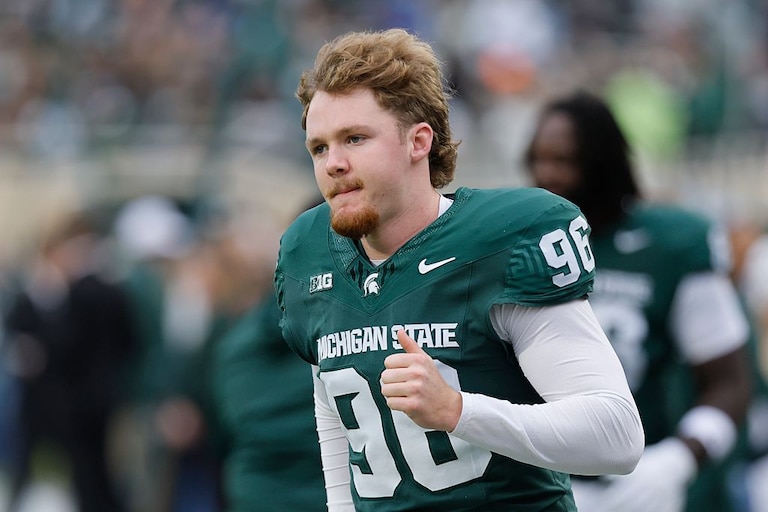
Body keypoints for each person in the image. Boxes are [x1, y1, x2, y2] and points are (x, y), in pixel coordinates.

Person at [274, 28, 644, 511]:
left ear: (418, 141)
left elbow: (616, 435)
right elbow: (337, 427)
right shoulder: (308, 252)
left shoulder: (501, 239)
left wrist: (457, 409)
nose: (333, 164)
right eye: (319, 148)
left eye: (355, 138)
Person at [524, 91, 754, 512]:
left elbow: (730, 380)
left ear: (604, 162)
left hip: (639, 480)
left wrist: (679, 459)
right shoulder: (520, 244)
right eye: (539, 159)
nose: (547, 173)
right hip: (543, 480)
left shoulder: (671, 246)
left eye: (564, 160)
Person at [3, 210, 136, 512]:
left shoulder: (79, 292)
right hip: (80, 400)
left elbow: (67, 345)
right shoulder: (101, 289)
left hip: (77, 403)